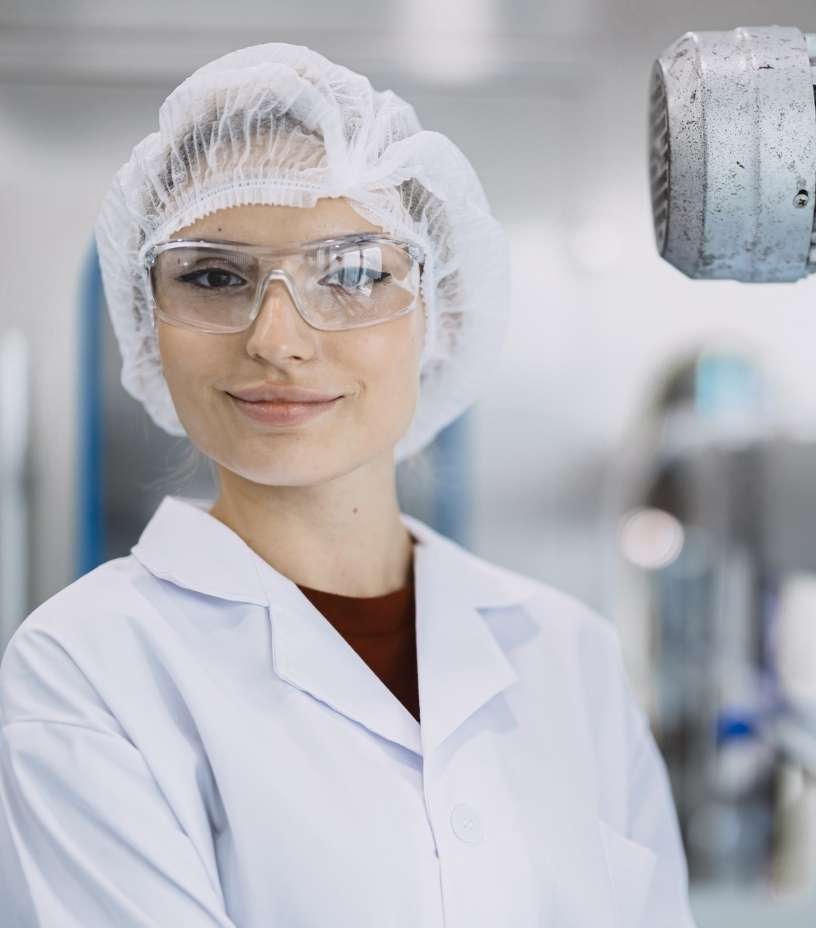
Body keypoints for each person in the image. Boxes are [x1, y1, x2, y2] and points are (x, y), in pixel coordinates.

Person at [0, 43, 693, 927]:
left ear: (438, 311)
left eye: (354, 272)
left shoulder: (569, 656)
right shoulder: (86, 668)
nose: (277, 339)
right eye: (215, 276)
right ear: (148, 321)